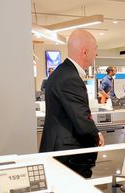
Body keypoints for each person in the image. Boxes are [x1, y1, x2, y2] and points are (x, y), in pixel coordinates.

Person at [39, 29, 104, 178]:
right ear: (85, 52)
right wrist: (96, 135)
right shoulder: (71, 78)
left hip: (58, 151)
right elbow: (82, 119)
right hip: (68, 156)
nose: (96, 54)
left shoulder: (61, 72)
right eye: (95, 49)